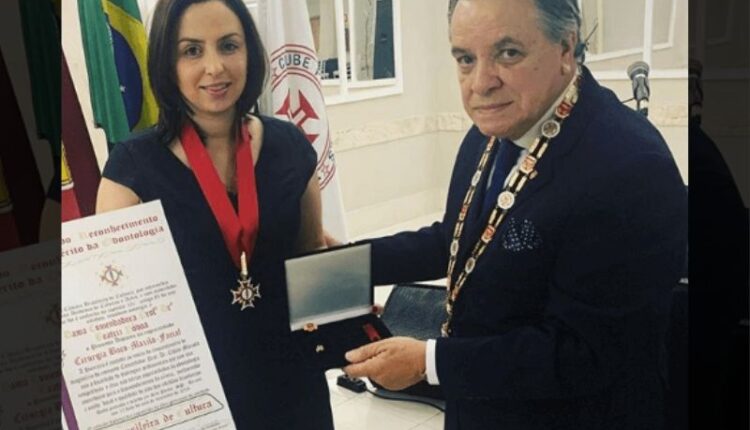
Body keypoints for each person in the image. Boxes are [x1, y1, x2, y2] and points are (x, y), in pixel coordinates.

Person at [343, 0, 687, 429]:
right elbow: (459, 238)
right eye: (465, 59)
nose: (481, 83)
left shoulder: (629, 167)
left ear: (566, 48)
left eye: (508, 53)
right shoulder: (493, 129)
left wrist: (429, 362)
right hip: (480, 404)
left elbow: (586, 352)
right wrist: (349, 263)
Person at [96, 0, 333, 428]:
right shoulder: (130, 170)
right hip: (195, 395)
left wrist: (347, 297)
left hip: (293, 381)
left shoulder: (291, 145)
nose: (215, 67)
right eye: (191, 50)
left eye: (228, 45)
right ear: (167, 62)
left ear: (249, 51)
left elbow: (311, 250)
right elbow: (118, 306)